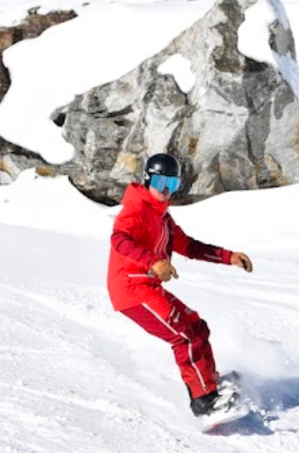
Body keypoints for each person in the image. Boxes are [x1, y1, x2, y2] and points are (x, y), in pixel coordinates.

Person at [108, 153, 254, 418]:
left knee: (197, 328)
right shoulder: (136, 210)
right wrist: (152, 261)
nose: (165, 190)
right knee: (183, 337)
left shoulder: (163, 217)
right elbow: (120, 240)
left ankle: (209, 385)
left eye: (172, 184)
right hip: (130, 289)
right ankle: (204, 402)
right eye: (161, 182)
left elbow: (188, 246)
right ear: (148, 179)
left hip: (148, 288)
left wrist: (228, 257)